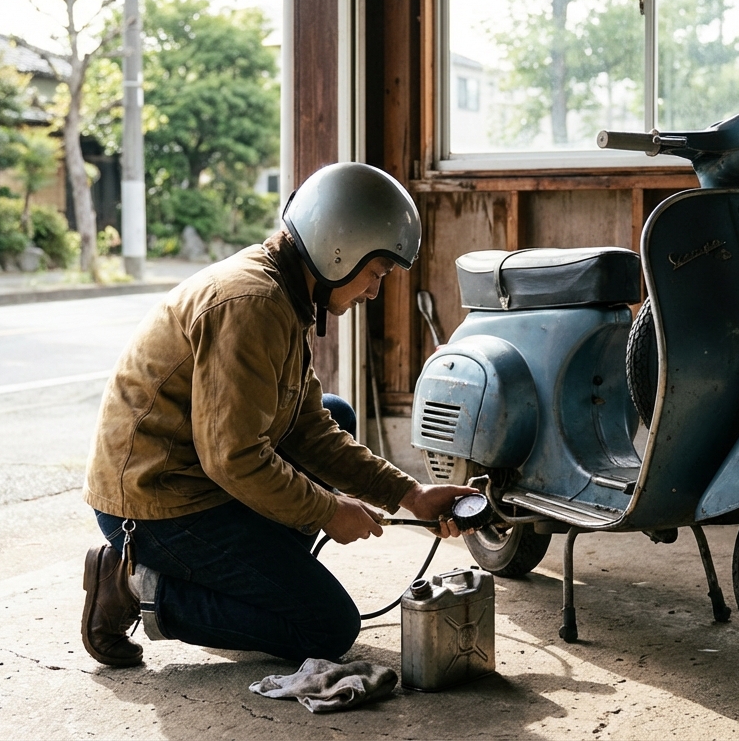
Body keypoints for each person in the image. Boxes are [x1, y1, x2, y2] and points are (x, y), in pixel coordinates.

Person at [79, 162, 474, 668]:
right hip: (153, 502)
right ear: (339, 249)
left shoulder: (287, 294)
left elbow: (307, 427)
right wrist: (328, 510)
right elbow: (234, 459)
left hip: (195, 472)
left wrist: (410, 494)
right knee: (325, 627)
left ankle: (260, 579)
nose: (375, 291)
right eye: (376, 273)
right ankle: (137, 586)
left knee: (336, 413)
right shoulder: (253, 304)